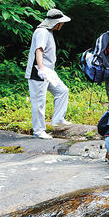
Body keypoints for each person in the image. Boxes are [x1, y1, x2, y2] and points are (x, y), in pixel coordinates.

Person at [25, 8, 72, 139]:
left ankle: (58, 119)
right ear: (55, 22)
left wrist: (46, 71)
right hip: (38, 71)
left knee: (62, 91)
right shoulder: (41, 32)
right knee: (38, 101)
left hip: (48, 71)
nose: (62, 25)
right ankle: (38, 131)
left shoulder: (48, 32)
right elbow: (38, 50)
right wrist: (41, 69)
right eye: (60, 23)